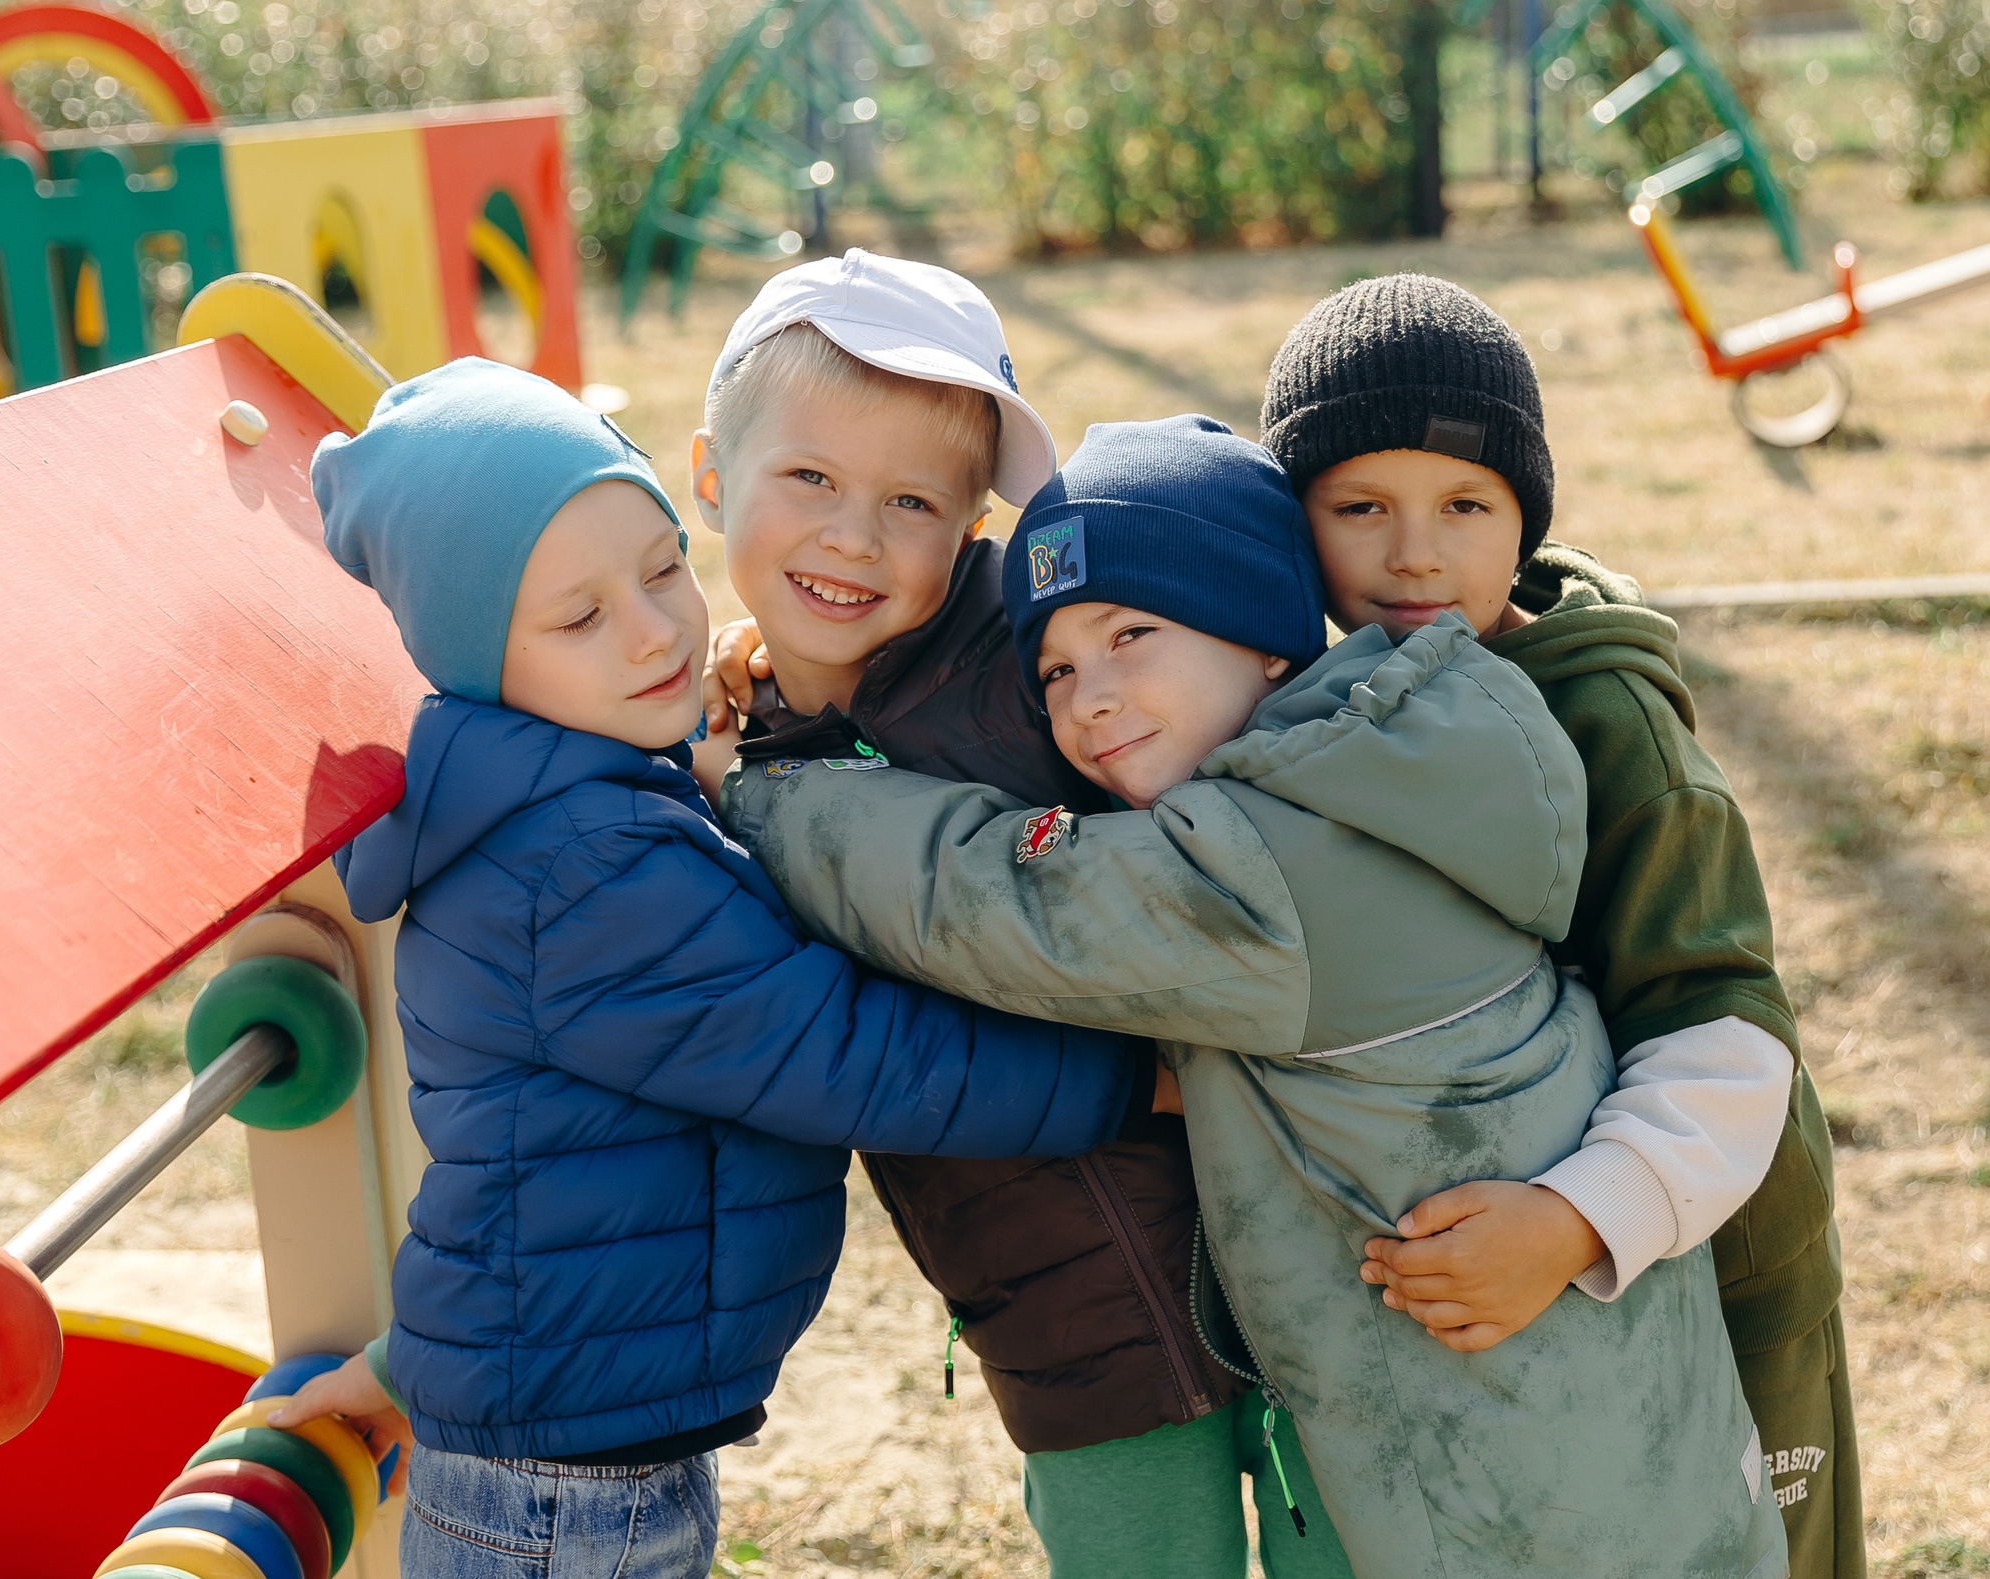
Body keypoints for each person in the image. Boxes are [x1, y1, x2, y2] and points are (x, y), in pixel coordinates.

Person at [717, 415, 1788, 1579]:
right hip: (1625, 1435)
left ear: (1268, 642)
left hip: (1513, 1484)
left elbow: (996, 899)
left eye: (1132, 636)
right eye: (1057, 670)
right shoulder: (1409, 741)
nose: (1091, 698)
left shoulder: (1273, 876)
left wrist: (762, 785)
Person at [265, 356, 1222, 1574]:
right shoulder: (585, 866)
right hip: (566, 1486)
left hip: (594, 1432)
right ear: (472, 656)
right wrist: (1125, 1082)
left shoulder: (598, 792)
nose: (659, 626)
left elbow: (551, 1190)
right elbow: (841, 1053)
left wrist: (415, 1365)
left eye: (662, 564)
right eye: (580, 615)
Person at [688, 250, 1356, 1576]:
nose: (854, 536)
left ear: (976, 529)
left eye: (914, 501)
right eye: (809, 479)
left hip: (1288, 1261)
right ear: (712, 477)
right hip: (1060, 1320)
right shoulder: (725, 742)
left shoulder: (1035, 655)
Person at [1257, 273, 1863, 1579]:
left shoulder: (1615, 737)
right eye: (1360, 506)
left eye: (1466, 506)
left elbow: (1729, 1042)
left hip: (1708, 1246)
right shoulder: (1328, 705)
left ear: (1524, 517)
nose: (1415, 552)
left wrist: (1577, 1219)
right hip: (1519, 1286)